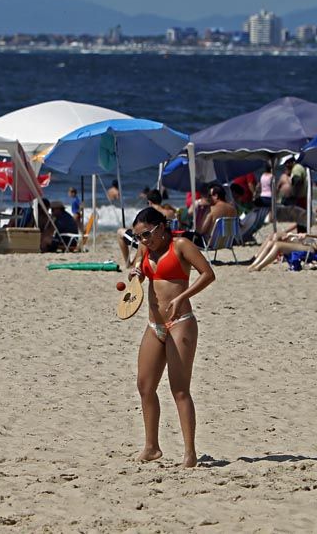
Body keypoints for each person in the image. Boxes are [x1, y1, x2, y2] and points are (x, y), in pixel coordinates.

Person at [129, 207, 215, 468]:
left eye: (146, 234)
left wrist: (182, 296)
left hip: (181, 323)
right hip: (154, 324)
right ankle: (152, 447)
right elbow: (136, 269)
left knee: (179, 389)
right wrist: (134, 274)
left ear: (160, 227)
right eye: (139, 237)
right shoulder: (145, 249)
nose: (144, 240)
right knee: (145, 387)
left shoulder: (181, 246)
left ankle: (190, 453)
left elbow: (208, 274)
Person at [247, 215, 317, 271]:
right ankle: (254, 264)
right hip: (309, 244)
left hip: (311, 250)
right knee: (275, 237)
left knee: (277, 245)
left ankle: (258, 267)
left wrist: (307, 235)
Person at [117, 190, 176, 267]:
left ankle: (128, 264)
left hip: (148, 239)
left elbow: (135, 229)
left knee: (120, 232)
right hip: (165, 238)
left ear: (149, 202)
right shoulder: (170, 212)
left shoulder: (149, 214)